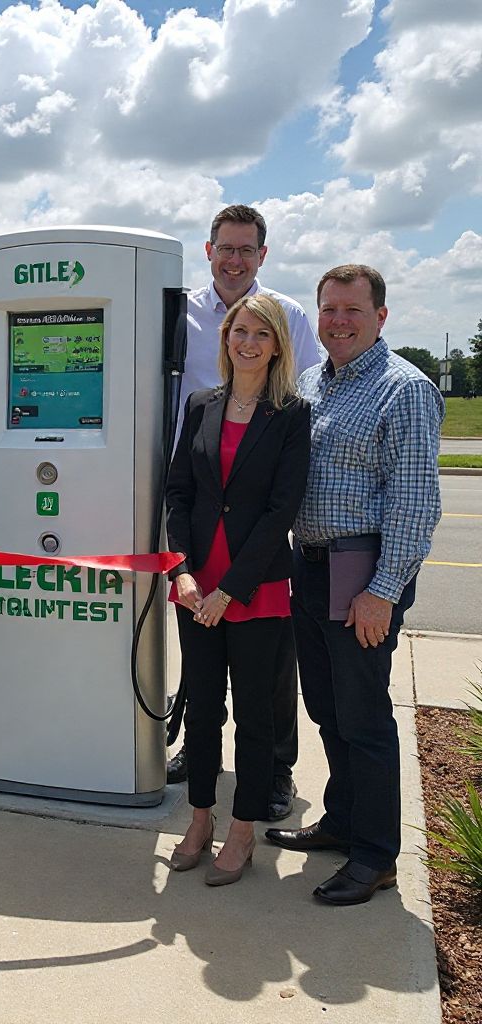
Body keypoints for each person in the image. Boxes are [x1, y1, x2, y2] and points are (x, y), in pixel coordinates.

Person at [266, 265, 443, 906]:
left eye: (352, 310)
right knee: (327, 709)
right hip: (309, 567)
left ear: (380, 317)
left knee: (364, 718)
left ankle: (376, 856)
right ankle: (343, 821)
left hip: (361, 572)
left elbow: (416, 502)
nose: (338, 321)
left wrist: (383, 589)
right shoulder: (313, 383)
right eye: (329, 309)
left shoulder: (405, 390)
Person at [167, 204, 321, 825]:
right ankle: (198, 758)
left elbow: (312, 389)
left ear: (262, 255)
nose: (235, 259)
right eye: (225, 248)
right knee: (202, 666)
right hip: (200, 480)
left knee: (268, 673)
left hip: (260, 493)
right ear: (208, 251)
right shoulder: (176, 314)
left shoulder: (287, 315)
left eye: (247, 250)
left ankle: (276, 768)